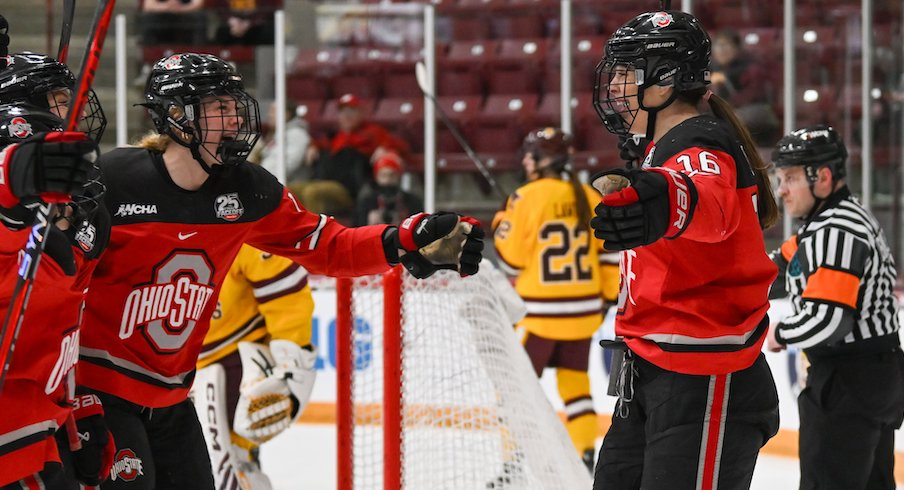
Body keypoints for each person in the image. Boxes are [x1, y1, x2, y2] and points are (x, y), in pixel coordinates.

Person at [74, 52, 483, 489]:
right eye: (219, 107)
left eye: (234, 105)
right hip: (101, 393)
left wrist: (402, 240)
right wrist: (67, 396)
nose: (234, 119)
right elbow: (57, 281)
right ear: (176, 115)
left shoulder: (247, 189)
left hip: (173, 398)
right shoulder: (113, 181)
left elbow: (329, 247)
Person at [589, 10, 781, 489]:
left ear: (666, 80)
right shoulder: (662, 148)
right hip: (653, 376)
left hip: (705, 383)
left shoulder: (699, 144)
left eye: (626, 74)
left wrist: (663, 201)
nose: (615, 89)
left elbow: (705, 203)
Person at [766, 125, 904, 490]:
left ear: (823, 177)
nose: (781, 190)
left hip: (849, 381)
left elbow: (829, 320)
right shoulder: (829, 222)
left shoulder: (836, 230)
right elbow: (776, 269)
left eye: (790, 178)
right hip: (869, 377)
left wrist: (779, 333)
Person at [492, 127, 619, 472]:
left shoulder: (525, 197)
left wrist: (501, 222)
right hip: (583, 312)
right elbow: (610, 257)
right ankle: (585, 452)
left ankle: (513, 459)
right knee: (575, 382)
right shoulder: (587, 195)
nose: (525, 160)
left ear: (543, 159)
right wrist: (606, 298)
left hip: (541, 313)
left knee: (516, 386)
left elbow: (512, 260)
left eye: (530, 154)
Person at [0, 103, 113, 489]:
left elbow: (58, 341)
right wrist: (8, 193)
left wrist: (77, 411)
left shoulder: (62, 251)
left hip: (38, 440)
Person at [193, 243, 316, 489]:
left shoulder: (237, 217)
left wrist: (292, 364)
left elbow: (284, 289)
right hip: (166, 370)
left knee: (226, 466)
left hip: (230, 362)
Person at [305, 93, 410, 206]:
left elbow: (401, 146)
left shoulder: (373, 132)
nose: (347, 116)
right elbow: (320, 143)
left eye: (351, 111)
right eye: (343, 112)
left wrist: (385, 148)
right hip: (327, 182)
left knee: (312, 192)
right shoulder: (335, 136)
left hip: (352, 190)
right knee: (294, 190)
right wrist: (313, 147)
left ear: (360, 113)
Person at [354, 151, 423, 226]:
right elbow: (355, 230)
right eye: (383, 175)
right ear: (376, 177)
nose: (387, 180)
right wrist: (368, 224)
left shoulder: (412, 201)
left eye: (392, 175)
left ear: (398, 176)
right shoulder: (367, 202)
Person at [254, 99, 311, 184]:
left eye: (273, 111)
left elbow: (286, 166)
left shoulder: (296, 134)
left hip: (288, 188)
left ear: (286, 114)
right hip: (270, 183)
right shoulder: (279, 134)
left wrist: (258, 180)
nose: (269, 115)